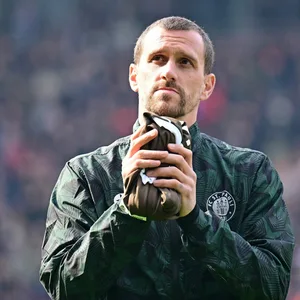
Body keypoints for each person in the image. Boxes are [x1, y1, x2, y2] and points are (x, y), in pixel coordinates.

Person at [39, 16, 295, 300]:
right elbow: (62, 288)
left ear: (207, 86)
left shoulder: (249, 172)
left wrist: (196, 220)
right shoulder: (86, 174)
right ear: (134, 76)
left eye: (185, 62)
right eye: (158, 58)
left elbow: (273, 288)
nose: (169, 71)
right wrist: (126, 214)